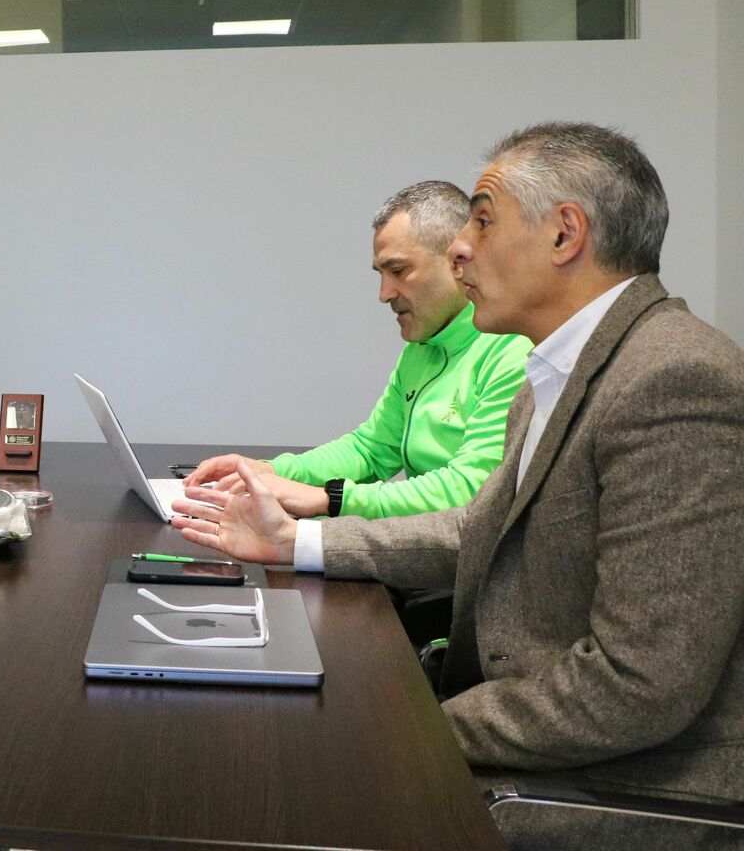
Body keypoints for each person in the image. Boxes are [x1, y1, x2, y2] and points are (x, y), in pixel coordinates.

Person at [172, 123, 744, 849]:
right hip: (545, 732)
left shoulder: (673, 380)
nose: (463, 247)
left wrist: (419, 729)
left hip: (628, 783)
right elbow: (479, 529)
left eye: (481, 218)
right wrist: (297, 540)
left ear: (566, 234)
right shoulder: (558, 373)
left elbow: (639, 685)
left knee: (284, 786)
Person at [185, 181, 529, 520]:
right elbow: (371, 450)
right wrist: (270, 471)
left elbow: (469, 491)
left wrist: (329, 499)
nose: (384, 293)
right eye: (381, 273)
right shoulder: (422, 348)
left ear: (457, 260)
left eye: (398, 271)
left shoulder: (513, 350)